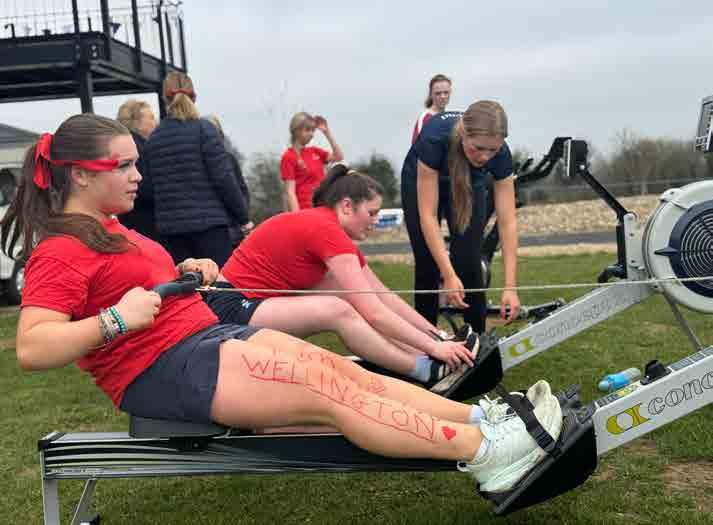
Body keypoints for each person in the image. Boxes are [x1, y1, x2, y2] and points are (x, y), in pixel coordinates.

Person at [1, 113, 562, 495]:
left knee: (344, 372)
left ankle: (481, 418)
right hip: (164, 368)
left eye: (134, 162)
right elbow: (33, 347)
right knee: (330, 394)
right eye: (123, 166)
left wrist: (188, 272)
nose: (137, 175)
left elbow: (136, 285)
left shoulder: (111, 229)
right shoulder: (61, 249)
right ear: (80, 175)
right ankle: (487, 453)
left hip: (202, 338)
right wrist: (115, 319)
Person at [205, 164, 476, 388]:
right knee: (339, 310)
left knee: (349, 295)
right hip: (229, 307)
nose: (375, 221)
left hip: (247, 303)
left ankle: (426, 357)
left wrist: (438, 338)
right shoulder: (327, 230)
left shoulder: (328, 227)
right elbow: (375, 314)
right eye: (371, 213)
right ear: (347, 206)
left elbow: (382, 296)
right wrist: (434, 349)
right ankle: (423, 370)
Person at [401, 101, 520, 335]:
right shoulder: (434, 139)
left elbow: (508, 222)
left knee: (469, 262)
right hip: (420, 180)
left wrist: (510, 286)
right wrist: (448, 274)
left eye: (493, 150)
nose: (485, 157)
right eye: (479, 148)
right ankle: (426, 342)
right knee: (427, 263)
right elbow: (428, 216)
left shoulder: (501, 155)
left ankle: (477, 340)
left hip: (468, 181)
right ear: (464, 134)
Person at [143, 71, 248, 267]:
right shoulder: (205, 130)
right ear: (194, 97)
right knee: (218, 281)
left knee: (185, 282)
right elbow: (224, 178)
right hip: (211, 226)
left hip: (172, 230)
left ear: (165, 98)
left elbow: (149, 188)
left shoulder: (154, 139)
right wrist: (243, 217)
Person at [204, 114, 254, 247]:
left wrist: (242, 215)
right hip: (215, 226)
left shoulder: (229, 159)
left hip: (233, 226)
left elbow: (242, 190)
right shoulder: (199, 163)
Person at [281, 112, 344, 212]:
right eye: (307, 130)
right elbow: (290, 192)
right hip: (306, 210)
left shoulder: (315, 151)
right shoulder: (288, 157)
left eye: (313, 130)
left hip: (324, 207)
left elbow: (339, 156)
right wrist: (297, 216)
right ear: (297, 131)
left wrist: (327, 132)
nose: (312, 134)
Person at [116, 99, 159, 241]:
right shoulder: (137, 148)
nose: (155, 122)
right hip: (144, 219)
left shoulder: (124, 145)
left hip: (130, 217)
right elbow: (145, 186)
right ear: (137, 122)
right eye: (151, 117)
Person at [411, 74, 452, 145]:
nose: (442, 96)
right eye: (438, 93)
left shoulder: (450, 118)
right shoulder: (426, 117)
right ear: (431, 94)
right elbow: (417, 147)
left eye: (446, 92)